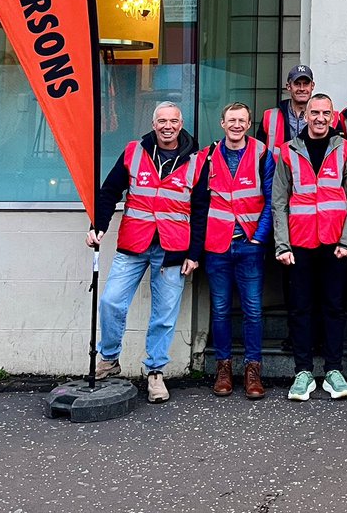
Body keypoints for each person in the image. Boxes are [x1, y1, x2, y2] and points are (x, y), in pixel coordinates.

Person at [85, 101, 206, 403]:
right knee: (111, 301)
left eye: (173, 121)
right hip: (134, 243)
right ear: (153, 124)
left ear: (181, 123)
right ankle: (109, 359)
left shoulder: (198, 160)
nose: (168, 126)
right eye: (162, 120)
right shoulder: (133, 151)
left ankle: (155, 373)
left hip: (173, 249)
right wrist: (98, 226)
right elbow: (109, 191)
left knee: (164, 315)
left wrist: (194, 253)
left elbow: (202, 210)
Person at [272, 92, 347, 401]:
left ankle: (334, 371)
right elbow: (279, 202)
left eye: (326, 113)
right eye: (315, 112)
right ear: (305, 116)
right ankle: (303, 372)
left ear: (334, 116)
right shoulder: (288, 151)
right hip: (299, 244)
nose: (321, 118)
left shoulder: (345, 149)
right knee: (300, 309)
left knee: (334, 308)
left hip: (335, 244)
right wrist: (282, 245)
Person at [192, 102, 275, 400]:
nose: (237, 125)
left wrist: (260, 239)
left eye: (242, 120)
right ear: (222, 123)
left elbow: (271, 199)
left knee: (253, 311)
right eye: (231, 120)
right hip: (217, 246)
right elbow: (197, 201)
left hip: (249, 244)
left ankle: (253, 370)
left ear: (250, 124)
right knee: (221, 309)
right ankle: (223, 369)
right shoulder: (208, 156)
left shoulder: (263, 153)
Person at [259, 63, 316, 152]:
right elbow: (260, 153)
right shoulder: (270, 117)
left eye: (305, 84)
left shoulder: (326, 117)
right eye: (297, 84)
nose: (301, 88)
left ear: (312, 86)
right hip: (279, 166)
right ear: (288, 86)